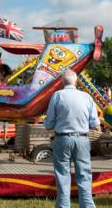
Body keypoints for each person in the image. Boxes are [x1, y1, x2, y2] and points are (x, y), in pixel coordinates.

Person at [44, 69, 100, 208]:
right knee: (84, 176)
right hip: (82, 139)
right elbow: (95, 124)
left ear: (62, 82)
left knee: (63, 176)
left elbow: (48, 124)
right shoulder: (86, 97)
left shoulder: (57, 96)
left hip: (62, 138)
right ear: (76, 81)